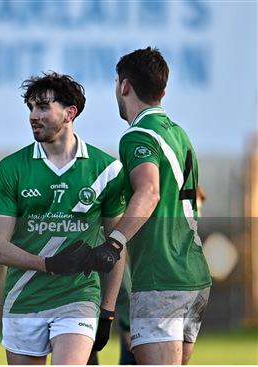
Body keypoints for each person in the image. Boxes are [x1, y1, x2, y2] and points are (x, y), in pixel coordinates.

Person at [0, 72, 126, 365]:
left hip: (78, 297)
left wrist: (107, 311)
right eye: (30, 108)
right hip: (23, 298)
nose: (33, 116)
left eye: (42, 107)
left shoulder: (107, 170)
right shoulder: (11, 168)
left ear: (69, 112)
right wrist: (47, 264)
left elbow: (118, 246)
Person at [83, 47, 211, 364]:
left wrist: (115, 241)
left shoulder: (138, 134)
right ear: (163, 91)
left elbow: (149, 192)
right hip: (192, 275)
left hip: (160, 277)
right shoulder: (179, 134)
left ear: (124, 86)